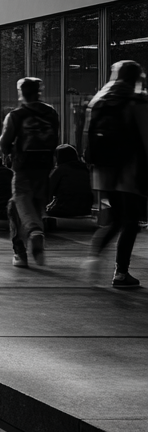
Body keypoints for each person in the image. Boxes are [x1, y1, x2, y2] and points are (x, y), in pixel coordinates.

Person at [85, 60, 148, 287]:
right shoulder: (137, 100)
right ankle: (121, 273)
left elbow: (88, 137)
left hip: (103, 171)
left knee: (118, 219)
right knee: (130, 221)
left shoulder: (100, 100)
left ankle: (94, 256)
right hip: (128, 171)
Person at [0, 77, 60, 268]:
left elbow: (3, 142)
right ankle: (25, 249)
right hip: (45, 165)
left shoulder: (16, 115)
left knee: (20, 201)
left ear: (21, 92)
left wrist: (9, 152)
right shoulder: (51, 113)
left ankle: (32, 236)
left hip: (23, 166)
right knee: (32, 205)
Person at [45, 144, 94, 219]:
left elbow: (49, 190)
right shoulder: (85, 169)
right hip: (86, 209)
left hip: (65, 209)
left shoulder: (60, 170)